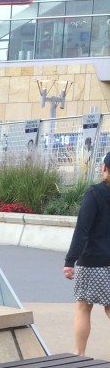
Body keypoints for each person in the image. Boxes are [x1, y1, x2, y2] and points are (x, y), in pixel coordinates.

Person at [64, 150, 110, 355]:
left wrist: (69, 261)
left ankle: (79, 356)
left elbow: (82, 230)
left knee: (83, 307)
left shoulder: (94, 194)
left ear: (103, 168)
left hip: (93, 261)